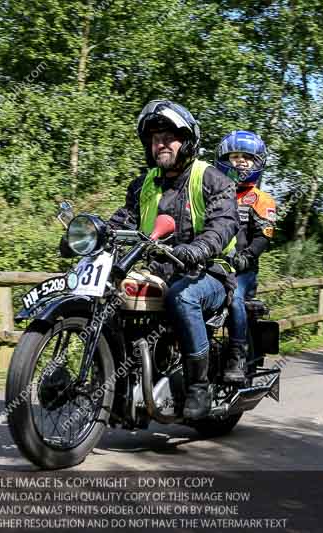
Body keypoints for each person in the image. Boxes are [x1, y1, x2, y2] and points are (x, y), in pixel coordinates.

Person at [104, 100, 240, 419]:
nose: (160, 143)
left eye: (169, 136)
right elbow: (124, 220)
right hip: (159, 271)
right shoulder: (144, 184)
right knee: (110, 297)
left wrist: (198, 248)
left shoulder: (210, 178)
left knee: (183, 297)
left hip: (210, 272)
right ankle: (116, 382)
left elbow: (224, 223)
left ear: (187, 140)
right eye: (154, 137)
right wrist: (93, 236)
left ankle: (199, 385)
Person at [214, 131, 276, 382]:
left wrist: (246, 257)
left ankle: (237, 352)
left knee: (235, 297)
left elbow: (264, 236)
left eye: (246, 158)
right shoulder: (215, 193)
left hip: (243, 271)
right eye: (235, 156)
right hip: (212, 265)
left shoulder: (261, 199)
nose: (240, 162)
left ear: (257, 162)